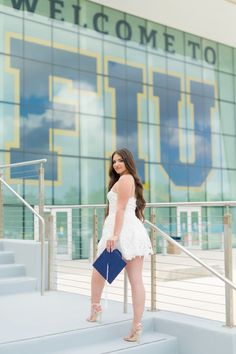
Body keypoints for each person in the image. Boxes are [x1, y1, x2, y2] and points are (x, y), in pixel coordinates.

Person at [87, 148, 153, 342]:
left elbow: (122, 208)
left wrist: (115, 235)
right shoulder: (127, 179)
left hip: (122, 231)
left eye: (120, 161)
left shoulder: (125, 180)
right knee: (135, 280)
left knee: (100, 272)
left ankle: (95, 308)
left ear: (128, 162)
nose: (116, 164)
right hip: (130, 230)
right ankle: (136, 326)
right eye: (114, 161)